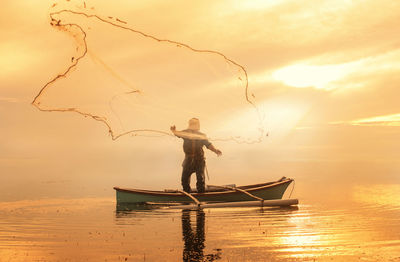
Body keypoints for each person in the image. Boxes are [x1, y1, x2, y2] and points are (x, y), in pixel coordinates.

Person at [171, 118, 222, 193]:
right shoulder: (185, 133)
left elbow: (208, 144)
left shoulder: (201, 135)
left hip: (199, 160)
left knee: (200, 180)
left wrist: (215, 150)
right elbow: (177, 134)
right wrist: (173, 130)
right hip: (188, 160)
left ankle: (201, 195)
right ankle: (187, 194)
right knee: (184, 180)